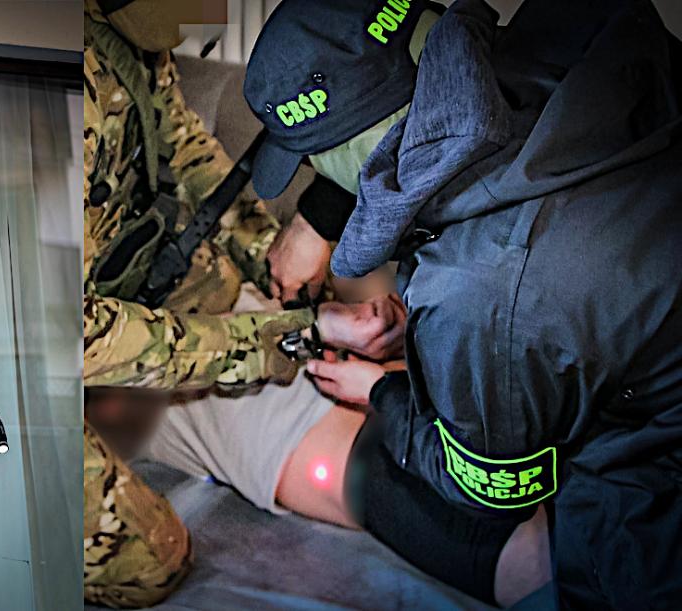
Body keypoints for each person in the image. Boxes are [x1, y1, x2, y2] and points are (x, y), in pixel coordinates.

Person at [246, 0, 682, 607]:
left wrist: (384, 392)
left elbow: (493, 491)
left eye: (314, 159)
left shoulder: (475, 298)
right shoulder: (589, 42)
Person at [82, 0, 407, 606]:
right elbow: (80, 336)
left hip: (151, 306)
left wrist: (286, 275)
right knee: (149, 564)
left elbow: (191, 160)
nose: (211, 14)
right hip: (68, 349)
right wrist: (290, 334)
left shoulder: (132, 39)